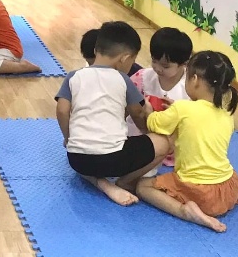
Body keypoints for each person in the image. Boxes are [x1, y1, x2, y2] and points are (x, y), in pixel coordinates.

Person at [137, 51, 238, 232]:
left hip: (200, 195)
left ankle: (184, 211)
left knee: (143, 186)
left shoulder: (183, 108)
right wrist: (176, 111)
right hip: (227, 188)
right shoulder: (226, 113)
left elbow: (154, 124)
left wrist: (149, 111)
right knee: (217, 171)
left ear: (195, 79)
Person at [56, 21, 170, 206]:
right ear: (125, 58)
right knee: (163, 143)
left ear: (96, 50)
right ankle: (125, 182)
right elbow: (138, 114)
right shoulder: (123, 79)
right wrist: (148, 131)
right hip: (113, 160)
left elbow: (62, 110)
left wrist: (69, 138)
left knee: (84, 152)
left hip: (76, 159)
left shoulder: (73, 76)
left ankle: (100, 182)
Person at [127, 27, 192, 149]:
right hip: (140, 134)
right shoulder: (143, 77)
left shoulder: (191, 88)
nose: (157, 68)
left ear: (184, 64)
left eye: (165, 66)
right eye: (154, 61)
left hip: (172, 142)